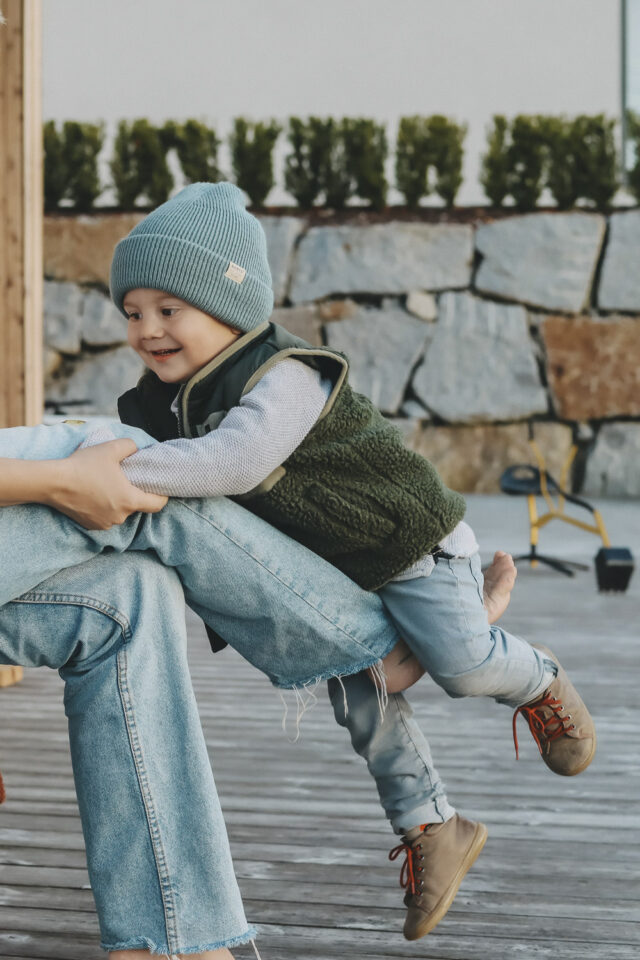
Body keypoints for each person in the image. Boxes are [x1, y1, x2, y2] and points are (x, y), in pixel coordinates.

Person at [0, 180, 595, 947]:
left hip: (409, 550)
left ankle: (537, 677)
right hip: (333, 571)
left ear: (232, 302)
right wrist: (91, 473)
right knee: (363, 702)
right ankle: (431, 826)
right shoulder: (155, 404)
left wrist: (115, 477)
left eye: (168, 308)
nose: (146, 328)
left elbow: (236, 461)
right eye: (132, 312)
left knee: (464, 664)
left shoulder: (285, 374)